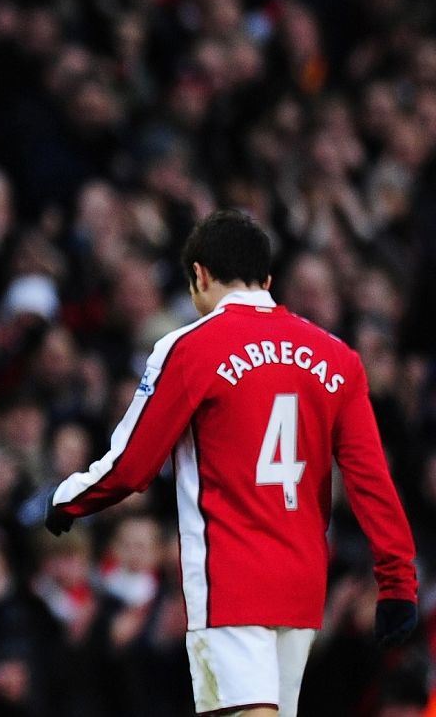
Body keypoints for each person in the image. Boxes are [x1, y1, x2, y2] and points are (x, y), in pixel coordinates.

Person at [46, 211, 418, 717]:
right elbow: (370, 478)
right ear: (267, 281)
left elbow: (131, 466)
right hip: (302, 584)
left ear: (198, 275)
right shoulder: (337, 357)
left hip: (230, 580)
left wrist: (67, 500)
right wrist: (397, 580)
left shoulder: (190, 348)